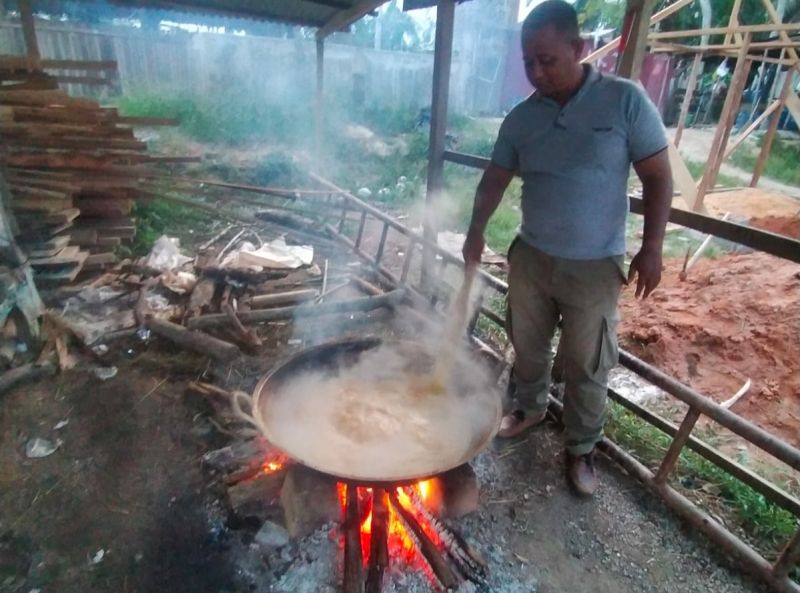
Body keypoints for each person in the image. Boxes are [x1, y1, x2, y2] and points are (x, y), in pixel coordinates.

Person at [462, 0, 673, 496]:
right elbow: (493, 182)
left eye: (547, 59)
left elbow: (658, 177)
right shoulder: (521, 119)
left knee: (588, 362)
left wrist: (653, 247)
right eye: (528, 61)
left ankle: (581, 449)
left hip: (595, 265)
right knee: (529, 347)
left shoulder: (624, 101)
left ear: (579, 48)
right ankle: (530, 410)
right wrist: (475, 231)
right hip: (532, 256)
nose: (536, 71)